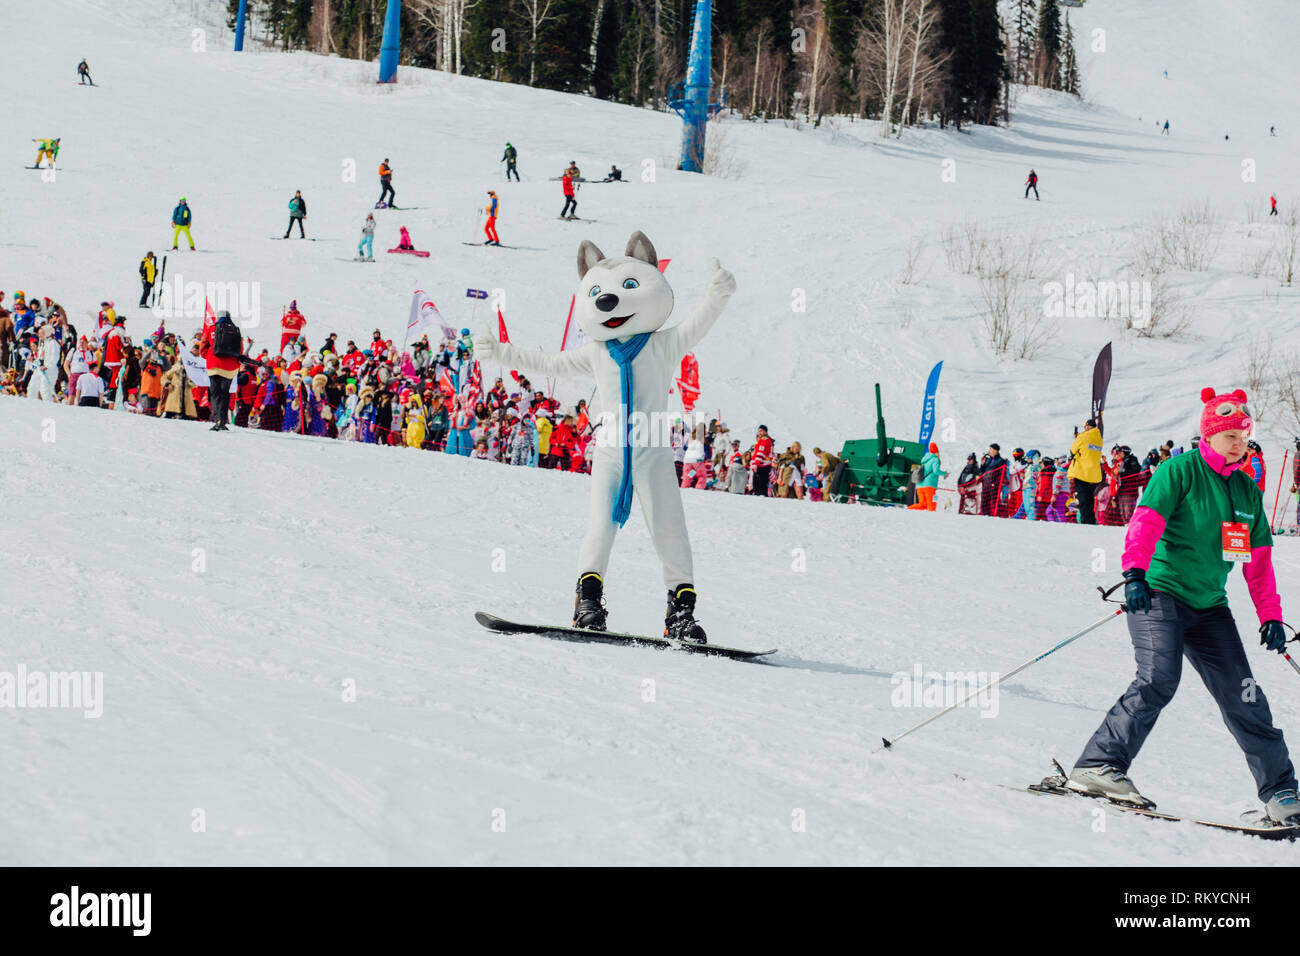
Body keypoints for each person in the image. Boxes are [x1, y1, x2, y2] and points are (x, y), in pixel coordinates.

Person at [1067, 388, 1299, 826]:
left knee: (1244, 695)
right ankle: (1098, 766)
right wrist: (1134, 573)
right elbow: (1147, 521)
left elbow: (1260, 565)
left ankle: (1282, 790)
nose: (1240, 443)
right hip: (1159, 592)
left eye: (1244, 436)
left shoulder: (1247, 490)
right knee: (1158, 678)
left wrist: (1270, 616)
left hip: (1210, 605)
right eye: (1230, 435)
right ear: (1209, 436)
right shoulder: (1180, 471)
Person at [202, 311, 243, 431]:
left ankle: (217, 419)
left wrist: (208, 357)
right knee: (225, 394)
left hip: (214, 365)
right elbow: (240, 349)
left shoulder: (211, 329)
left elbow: (203, 347)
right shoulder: (236, 330)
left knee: (215, 393)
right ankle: (223, 422)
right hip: (230, 367)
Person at [1069, 418, 1104, 524]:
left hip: (1082, 472)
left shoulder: (1082, 437)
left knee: (1083, 499)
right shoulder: (1099, 438)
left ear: (1088, 427)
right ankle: (1091, 521)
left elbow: (1072, 450)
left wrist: (1077, 438)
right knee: (1089, 499)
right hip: (1093, 474)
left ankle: (1085, 522)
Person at [26, 325, 61, 401]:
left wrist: (47, 366)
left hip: (49, 371)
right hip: (39, 370)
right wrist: (35, 363)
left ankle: (48, 406)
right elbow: (40, 357)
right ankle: (31, 404)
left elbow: (55, 357)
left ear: (47, 333)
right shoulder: (42, 344)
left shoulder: (53, 343)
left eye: (42, 333)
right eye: (39, 333)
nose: (39, 335)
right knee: (32, 387)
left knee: (45, 390)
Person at [909, 442, 945, 511]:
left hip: (919, 486)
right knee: (932, 505)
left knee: (922, 505)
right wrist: (945, 474)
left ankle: (908, 510)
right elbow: (936, 471)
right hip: (929, 487)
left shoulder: (924, 460)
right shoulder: (935, 459)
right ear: (936, 451)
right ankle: (932, 520)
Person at [751, 425, 774, 497]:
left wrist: (756, 464)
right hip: (764, 465)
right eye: (758, 431)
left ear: (765, 432)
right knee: (762, 485)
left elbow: (761, 453)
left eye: (761, 431)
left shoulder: (764, 440)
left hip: (762, 466)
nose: (759, 433)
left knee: (758, 486)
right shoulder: (767, 440)